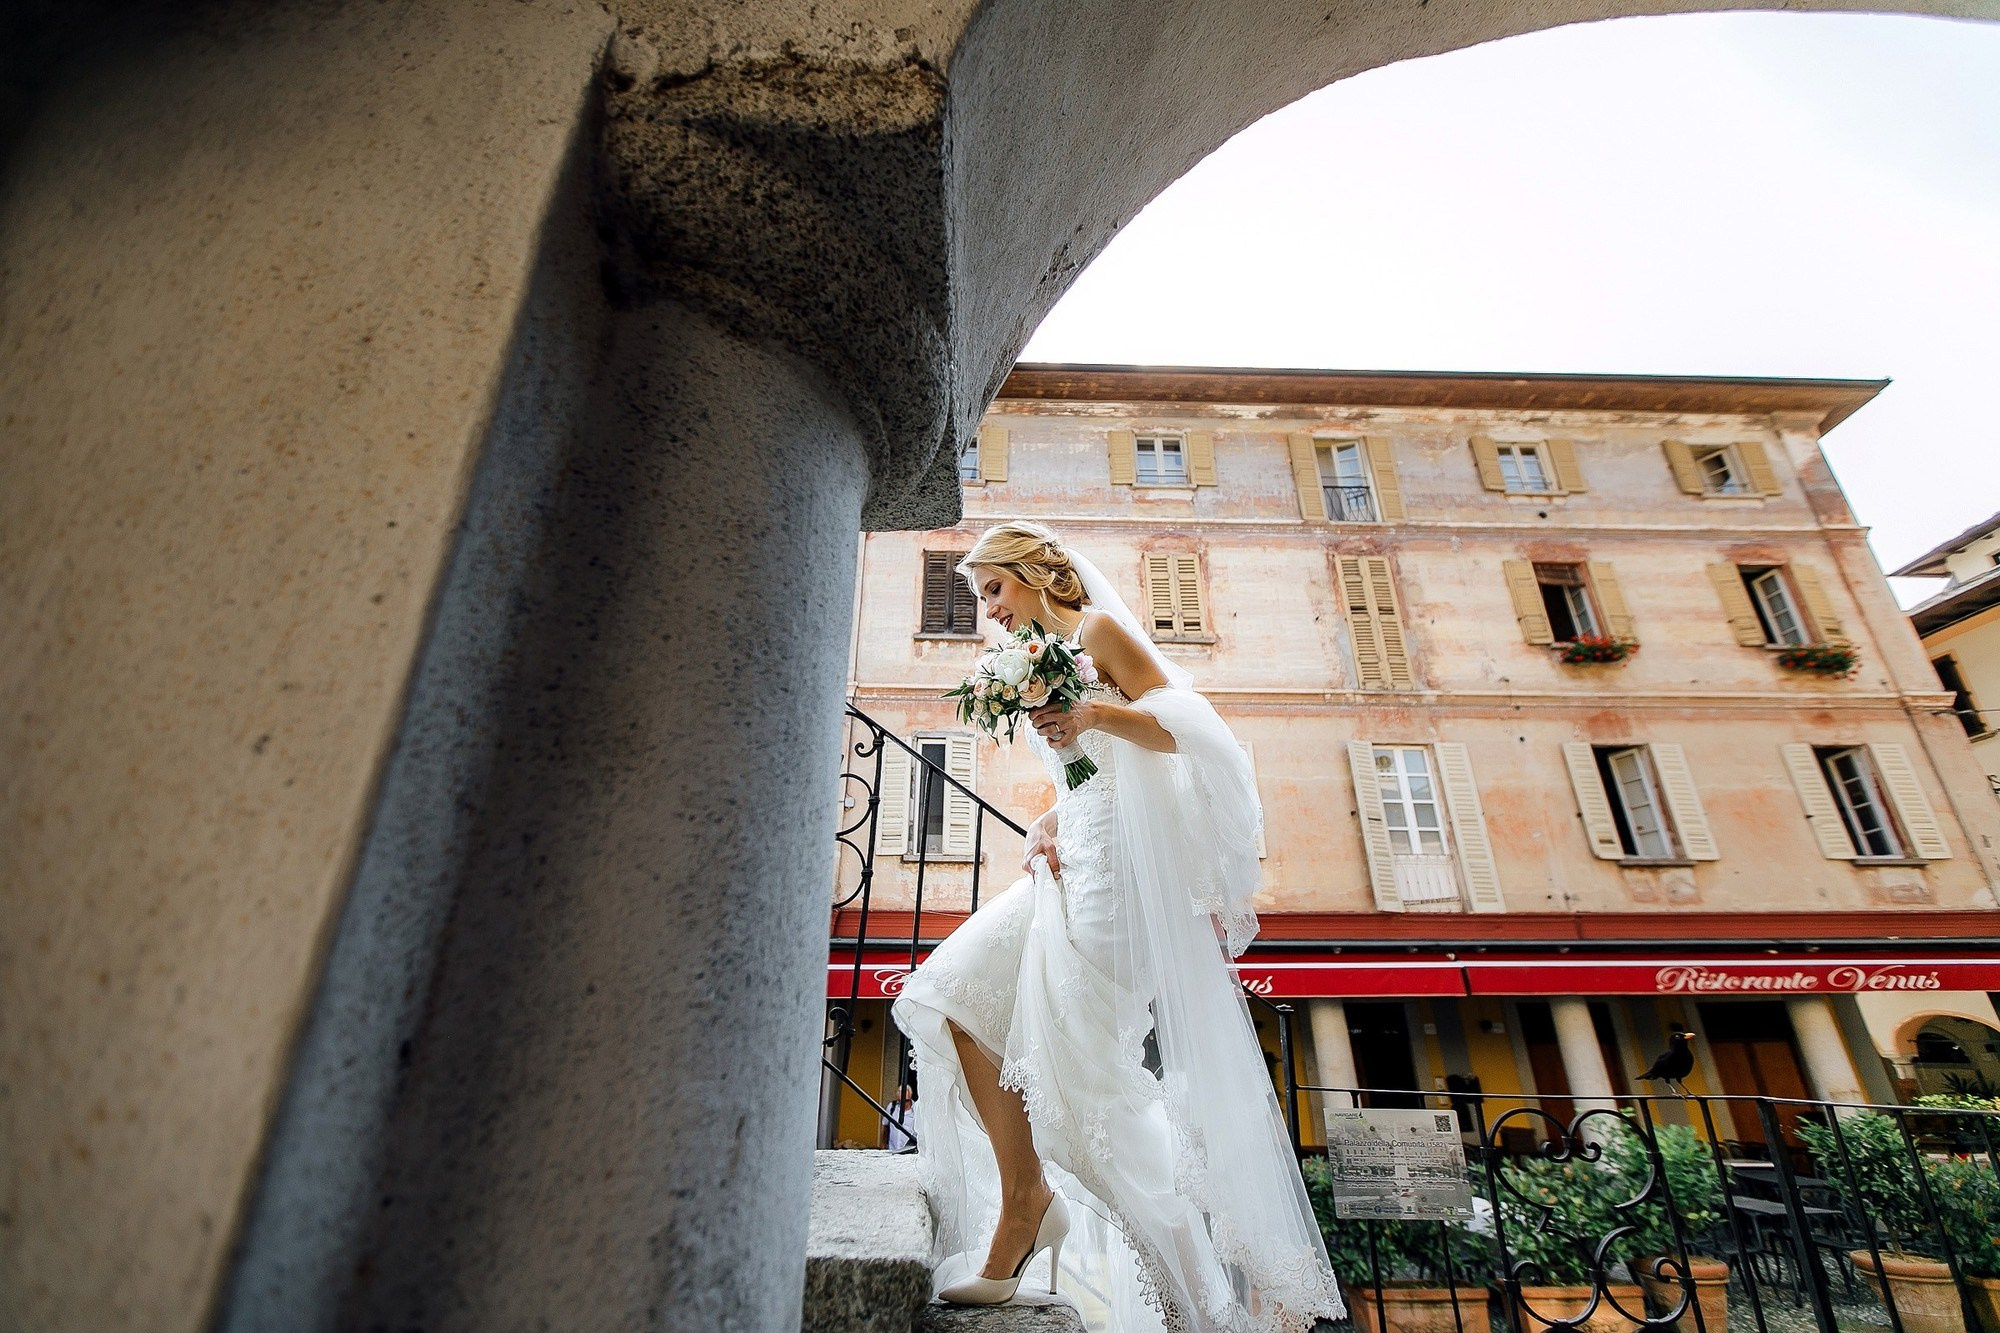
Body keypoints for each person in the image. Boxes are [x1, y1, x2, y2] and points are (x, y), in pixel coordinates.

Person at [892, 522, 1343, 1332]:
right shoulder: (1027, 660)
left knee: (1094, 1088)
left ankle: (1193, 1301)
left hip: (1126, 886)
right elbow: (1089, 773)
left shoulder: (1096, 633)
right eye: (981, 596)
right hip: (1071, 864)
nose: (988, 610)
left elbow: (1188, 732)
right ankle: (1028, 1197)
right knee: (949, 995)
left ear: (1033, 573)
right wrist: (1049, 821)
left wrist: (1095, 711)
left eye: (993, 589)